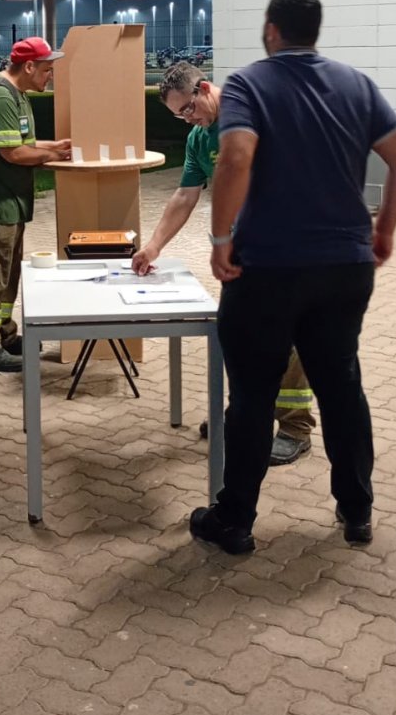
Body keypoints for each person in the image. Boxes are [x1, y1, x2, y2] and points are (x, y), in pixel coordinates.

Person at [191, 0, 396, 554]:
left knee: (252, 396)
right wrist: (384, 230)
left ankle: (235, 521)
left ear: (271, 30)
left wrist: (221, 240)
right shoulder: (357, 84)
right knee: (341, 387)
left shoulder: (249, 83)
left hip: (266, 271)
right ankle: (357, 511)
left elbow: (236, 157)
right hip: (345, 268)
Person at [133, 61, 316, 465]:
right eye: (179, 115)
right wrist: (153, 247)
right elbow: (185, 195)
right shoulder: (200, 138)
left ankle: (294, 428)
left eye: (187, 109)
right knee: (240, 337)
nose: (187, 119)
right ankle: (246, 417)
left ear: (203, 89)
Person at [0, 37, 71, 372]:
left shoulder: (17, 95)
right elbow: (14, 153)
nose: (50, 76)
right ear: (29, 66)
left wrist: (55, 146)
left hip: (9, 204)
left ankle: (5, 335)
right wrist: (53, 155)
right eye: (47, 70)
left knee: (7, 275)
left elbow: (23, 142)